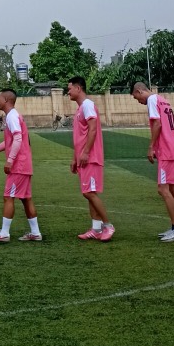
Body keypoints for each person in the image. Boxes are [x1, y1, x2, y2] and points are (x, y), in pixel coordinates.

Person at [0, 89, 41, 242]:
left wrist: (10, 160)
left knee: (8, 197)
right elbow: (10, 141)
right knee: (26, 198)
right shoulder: (13, 116)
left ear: (5, 100)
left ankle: (4, 233)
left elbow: (18, 139)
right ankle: (35, 232)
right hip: (25, 165)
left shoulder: (12, 116)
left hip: (19, 166)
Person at [131, 82, 174, 242]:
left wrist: (151, 147)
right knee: (172, 190)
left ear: (139, 91)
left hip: (167, 151)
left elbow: (157, 123)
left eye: (136, 97)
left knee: (163, 189)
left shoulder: (152, 100)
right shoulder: (163, 100)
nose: (138, 101)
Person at [65, 76, 113, 241]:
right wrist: (75, 158)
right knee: (89, 193)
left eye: (69, 89)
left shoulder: (87, 105)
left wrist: (85, 153)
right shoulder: (80, 109)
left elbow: (93, 129)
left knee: (89, 193)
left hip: (91, 158)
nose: (68, 92)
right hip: (83, 158)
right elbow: (79, 137)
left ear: (78, 88)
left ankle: (108, 226)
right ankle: (96, 229)